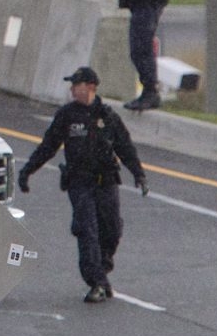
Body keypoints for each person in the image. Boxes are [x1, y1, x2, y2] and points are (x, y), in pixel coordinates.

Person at [17, 66, 147, 303]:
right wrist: (27, 171)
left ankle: (101, 272)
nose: (72, 90)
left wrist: (139, 174)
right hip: (80, 182)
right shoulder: (67, 116)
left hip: (107, 181)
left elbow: (125, 147)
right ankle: (96, 282)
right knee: (87, 230)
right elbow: (48, 146)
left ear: (90, 87)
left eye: (76, 85)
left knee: (111, 231)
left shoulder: (108, 117)